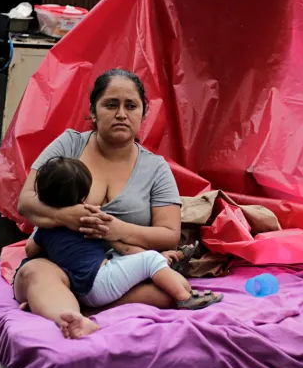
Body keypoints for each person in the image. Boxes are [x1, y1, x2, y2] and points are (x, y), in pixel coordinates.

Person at [13, 69, 185, 338]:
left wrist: (117, 230)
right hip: (59, 266)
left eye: (131, 106)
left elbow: (170, 235)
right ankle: (66, 313)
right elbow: (25, 202)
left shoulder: (156, 168)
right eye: (110, 104)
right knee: (35, 272)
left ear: (143, 113)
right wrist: (66, 216)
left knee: (164, 293)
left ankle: (74, 309)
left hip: (117, 273)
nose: (121, 114)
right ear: (93, 111)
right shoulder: (70, 144)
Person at [21, 156, 221, 337]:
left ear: (41, 195)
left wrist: (45, 228)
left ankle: (72, 311)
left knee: (139, 267)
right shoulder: (91, 218)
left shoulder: (44, 226)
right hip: (99, 282)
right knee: (151, 260)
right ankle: (184, 297)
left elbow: (30, 250)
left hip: (78, 287)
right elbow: (124, 248)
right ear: (83, 197)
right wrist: (152, 258)